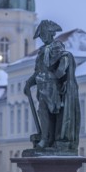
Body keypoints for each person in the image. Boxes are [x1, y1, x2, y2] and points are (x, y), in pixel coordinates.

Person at [24, 20, 80, 151]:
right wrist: (29, 83)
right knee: (42, 112)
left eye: (43, 34)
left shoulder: (57, 47)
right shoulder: (42, 51)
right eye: (41, 35)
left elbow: (64, 61)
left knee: (52, 112)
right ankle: (45, 139)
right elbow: (38, 71)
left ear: (50, 34)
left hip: (53, 87)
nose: (42, 37)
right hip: (42, 87)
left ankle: (49, 140)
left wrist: (56, 75)